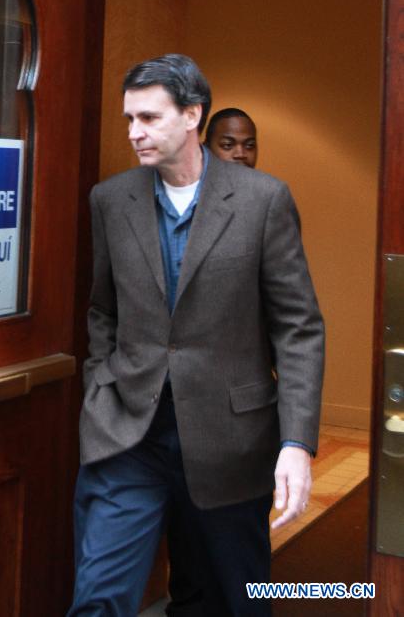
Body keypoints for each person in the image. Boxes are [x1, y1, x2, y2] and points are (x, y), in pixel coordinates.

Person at [68, 54, 324, 617]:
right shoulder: (111, 200)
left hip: (230, 442)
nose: (134, 132)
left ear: (192, 115)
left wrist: (296, 443)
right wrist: (100, 384)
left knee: (228, 600)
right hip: (129, 434)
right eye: (129, 118)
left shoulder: (263, 200)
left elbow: (298, 327)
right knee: (99, 597)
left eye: (149, 118)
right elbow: (103, 310)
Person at [168, 106, 258, 615]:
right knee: (189, 561)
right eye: (229, 143)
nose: (241, 153)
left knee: (241, 565)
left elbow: (292, 324)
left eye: (249, 144)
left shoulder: (269, 204)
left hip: (243, 419)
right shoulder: (177, 209)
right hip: (178, 416)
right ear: (205, 144)